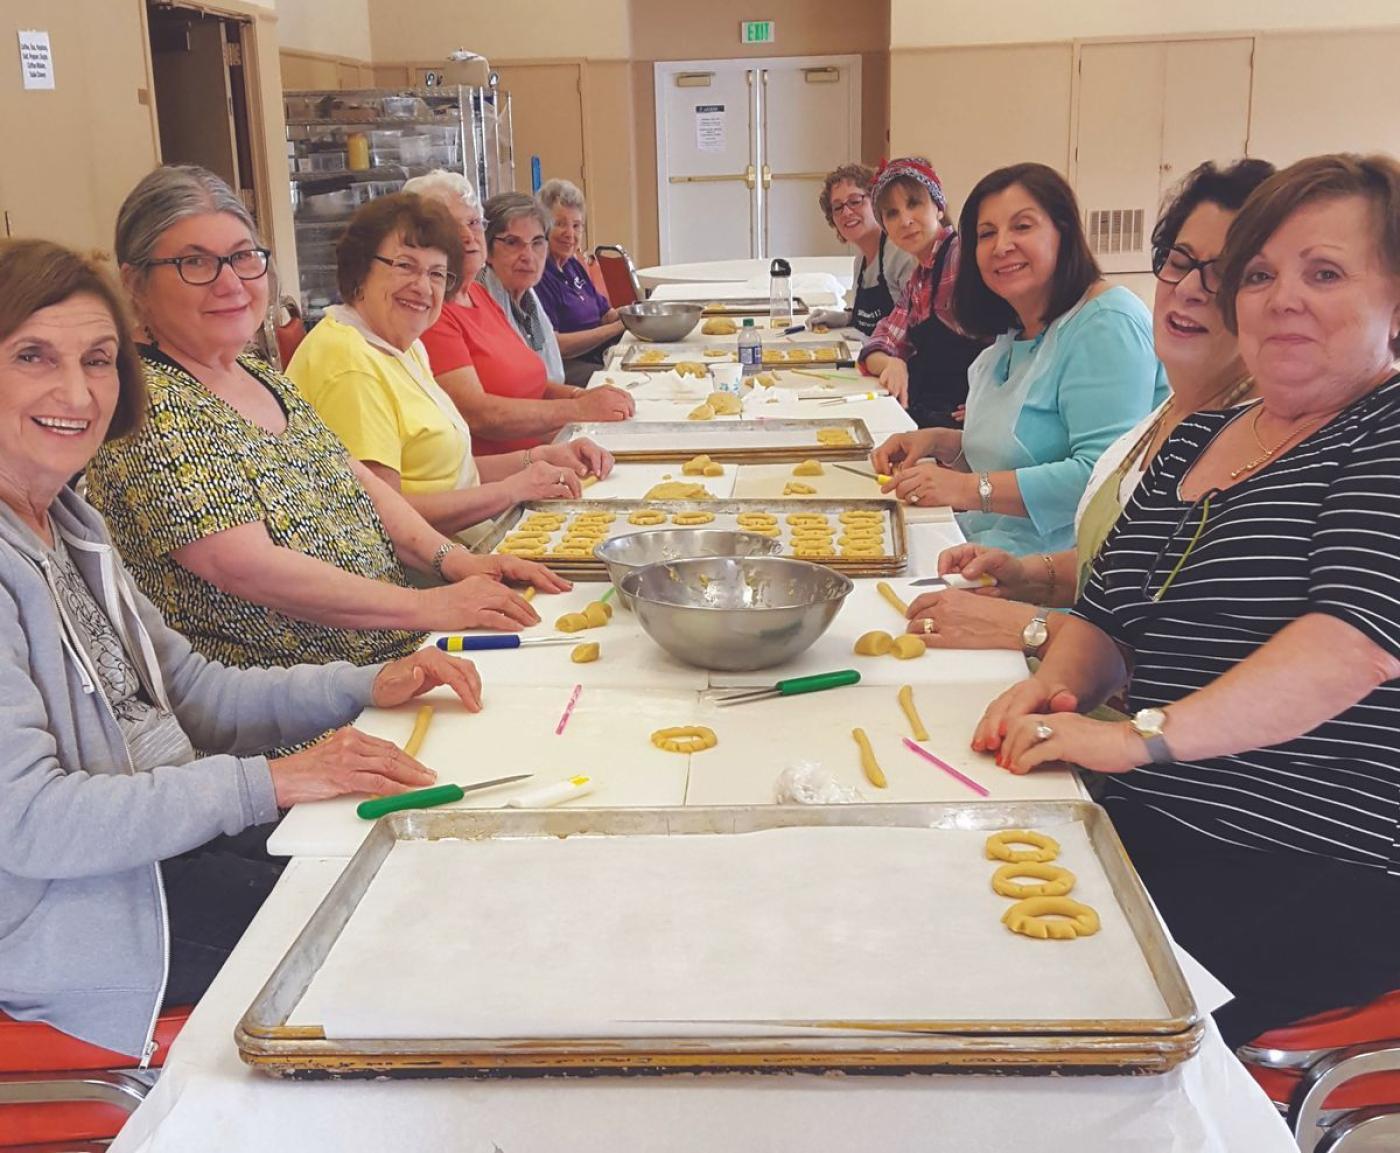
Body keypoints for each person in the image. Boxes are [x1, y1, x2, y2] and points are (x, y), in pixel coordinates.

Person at [0, 236, 480, 1057]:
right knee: (408, 957)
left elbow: (192, 693)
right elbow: (32, 824)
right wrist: (271, 781)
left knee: (427, 869)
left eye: (100, 359)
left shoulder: (70, 525)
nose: (76, 391)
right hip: (88, 918)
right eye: (33, 356)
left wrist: (367, 681)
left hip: (166, 847)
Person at [973, 153, 1400, 1048]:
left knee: (1027, 1008)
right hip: (1152, 811)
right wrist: (1050, 687)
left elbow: (1350, 644)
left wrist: (1137, 737)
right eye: (1260, 274)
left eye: (1324, 273)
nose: (1282, 297)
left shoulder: (1384, 430)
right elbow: (1108, 614)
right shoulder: (1202, 432)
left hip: (1306, 854)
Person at [87, 167, 558, 681]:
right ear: (136, 283)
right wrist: (432, 606)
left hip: (387, 652)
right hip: (297, 698)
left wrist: (453, 562)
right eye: (194, 262)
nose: (231, 283)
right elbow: (248, 567)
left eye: (243, 257)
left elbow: (357, 481)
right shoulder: (148, 407)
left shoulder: (255, 373)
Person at [904, 159, 1276, 650]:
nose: (1187, 290)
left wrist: (1030, 626)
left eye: (1227, 273)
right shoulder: (1180, 413)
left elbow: (1182, 653)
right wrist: (1025, 576)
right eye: (1179, 263)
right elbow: (1119, 565)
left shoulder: (1110, 323)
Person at [872, 162, 1166, 555]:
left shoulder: (1106, 322)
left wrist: (964, 488)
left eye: (1022, 227)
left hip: (1062, 573)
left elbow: (1104, 476)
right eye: (986, 233)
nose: (1002, 245)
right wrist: (939, 443)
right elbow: (1023, 451)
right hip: (989, 548)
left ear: (1063, 231)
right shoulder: (1016, 331)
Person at [288, 192, 609, 547]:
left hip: (468, 541)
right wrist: (509, 491)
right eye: (405, 266)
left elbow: (451, 476)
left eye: (437, 273)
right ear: (360, 268)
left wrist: (536, 459)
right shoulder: (349, 363)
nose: (423, 287)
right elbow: (381, 516)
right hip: (423, 574)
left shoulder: (402, 346)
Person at [407, 171, 633, 456]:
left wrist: (582, 396)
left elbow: (534, 385)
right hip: (509, 474)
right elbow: (479, 415)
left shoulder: (479, 295)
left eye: (474, 223)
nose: (467, 236)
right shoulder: (432, 314)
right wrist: (577, 408)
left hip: (549, 448)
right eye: (450, 226)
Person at [855, 157, 985, 428]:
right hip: (933, 414)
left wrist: (995, 401)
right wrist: (892, 364)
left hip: (969, 423)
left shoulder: (961, 259)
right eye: (892, 213)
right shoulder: (919, 278)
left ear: (938, 207)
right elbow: (879, 342)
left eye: (914, 204)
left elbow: (1015, 341)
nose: (905, 220)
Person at [809, 163, 917, 338]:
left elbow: (914, 327)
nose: (846, 212)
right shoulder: (860, 262)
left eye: (855, 201)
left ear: (876, 202)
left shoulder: (900, 254)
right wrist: (844, 318)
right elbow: (871, 320)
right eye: (838, 207)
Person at [535, 178, 625, 385]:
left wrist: (641, 313)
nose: (570, 234)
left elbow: (606, 315)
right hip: (567, 367)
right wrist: (616, 329)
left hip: (598, 354)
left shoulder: (572, 265)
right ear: (543, 227)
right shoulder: (539, 275)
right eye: (560, 224)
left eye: (576, 226)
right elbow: (556, 346)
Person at [477, 191, 566, 387]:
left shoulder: (528, 296)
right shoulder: (478, 301)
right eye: (512, 242)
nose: (528, 256)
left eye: (537, 243)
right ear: (487, 250)